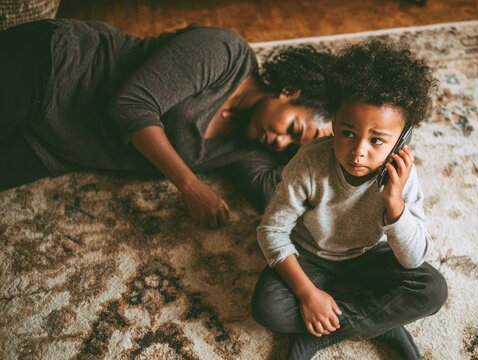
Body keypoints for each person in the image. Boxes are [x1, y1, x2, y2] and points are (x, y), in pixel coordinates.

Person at [0, 19, 335, 227]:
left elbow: (277, 196)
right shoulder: (226, 53)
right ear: (289, 92)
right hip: (54, 67)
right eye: (292, 130)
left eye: (291, 148)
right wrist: (190, 186)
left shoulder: (247, 148)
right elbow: (131, 105)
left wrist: (353, 160)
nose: (279, 143)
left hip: (50, 145)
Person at [251, 39, 448, 360]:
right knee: (267, 309)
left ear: (401, 140)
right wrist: (307, 293)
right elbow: (271, 231)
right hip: (310, 255)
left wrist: (394, 204)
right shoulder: (310, 161)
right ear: (333, 120)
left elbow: (413, 260)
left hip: (368, 256)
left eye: (377, 140)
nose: (358, 151)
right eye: (347, 133)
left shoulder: (401, 174)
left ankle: (318, 337)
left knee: (432, 290)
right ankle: (382, 323)